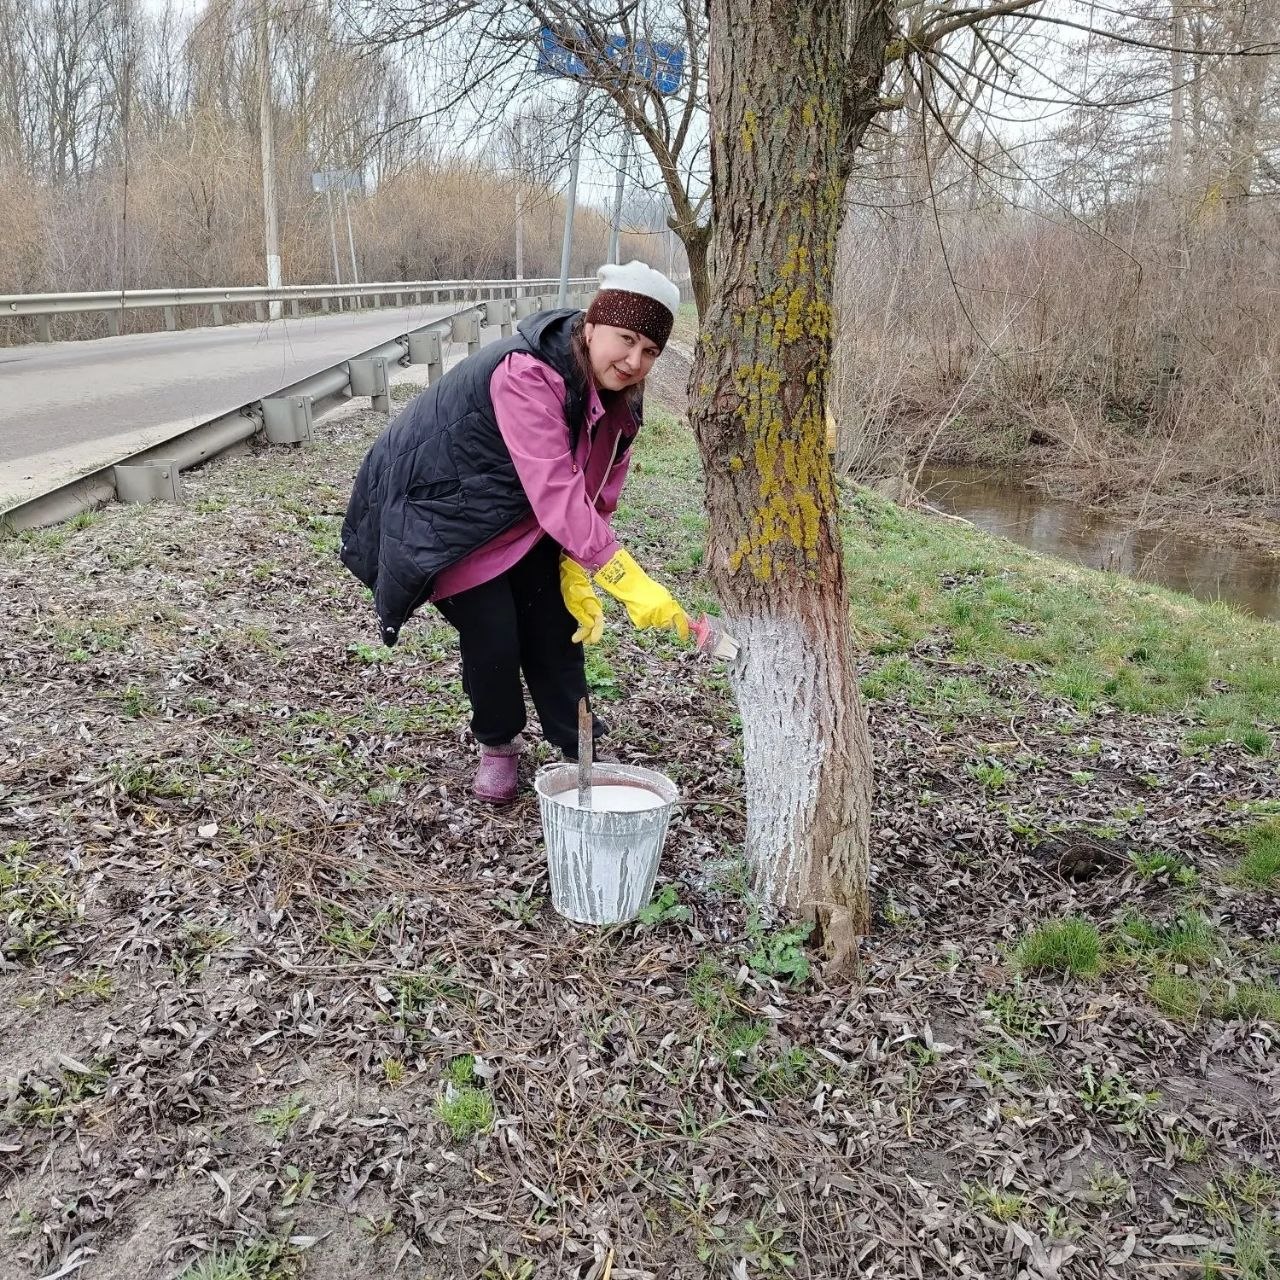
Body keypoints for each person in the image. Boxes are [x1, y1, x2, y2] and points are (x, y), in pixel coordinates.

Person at [339, 261, 690, 804]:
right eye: (626, 340)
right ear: (594, 324)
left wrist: (580, 567)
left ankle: (578, 751)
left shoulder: (623, 399)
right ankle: (499, 743)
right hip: (447, 514)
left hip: (518, 515)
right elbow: (555, 491)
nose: (634, 361)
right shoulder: (526, 374)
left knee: (554, 624)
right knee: (494, 631)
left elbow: (597, 491)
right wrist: (626, 578)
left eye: (650, 351)